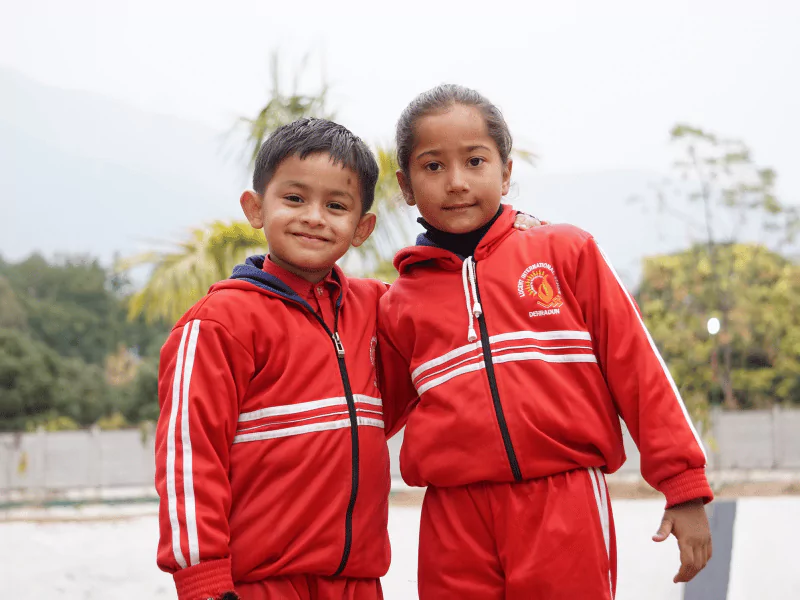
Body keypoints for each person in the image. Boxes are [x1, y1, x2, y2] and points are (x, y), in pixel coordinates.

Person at [153, 115, 542, 600]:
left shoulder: (379, 307)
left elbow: (459, 313)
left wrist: (515, 237)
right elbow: (189, 459)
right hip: (258, 585)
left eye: (336, 205)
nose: (314, 217)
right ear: (255, 208)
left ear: (361, 228)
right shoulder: (217, 324)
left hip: (358, 583)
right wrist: (202, 582)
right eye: (294, 199)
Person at [378, 84, 714, 600]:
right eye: (433, 166)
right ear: (405, 184)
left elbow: (638, 369)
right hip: (453, 515)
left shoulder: (564, 251)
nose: (456, 182)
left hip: (564, 499)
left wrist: (684, 487)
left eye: (474, 161)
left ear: (506, 171)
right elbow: (367, 413)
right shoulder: (400, 300)